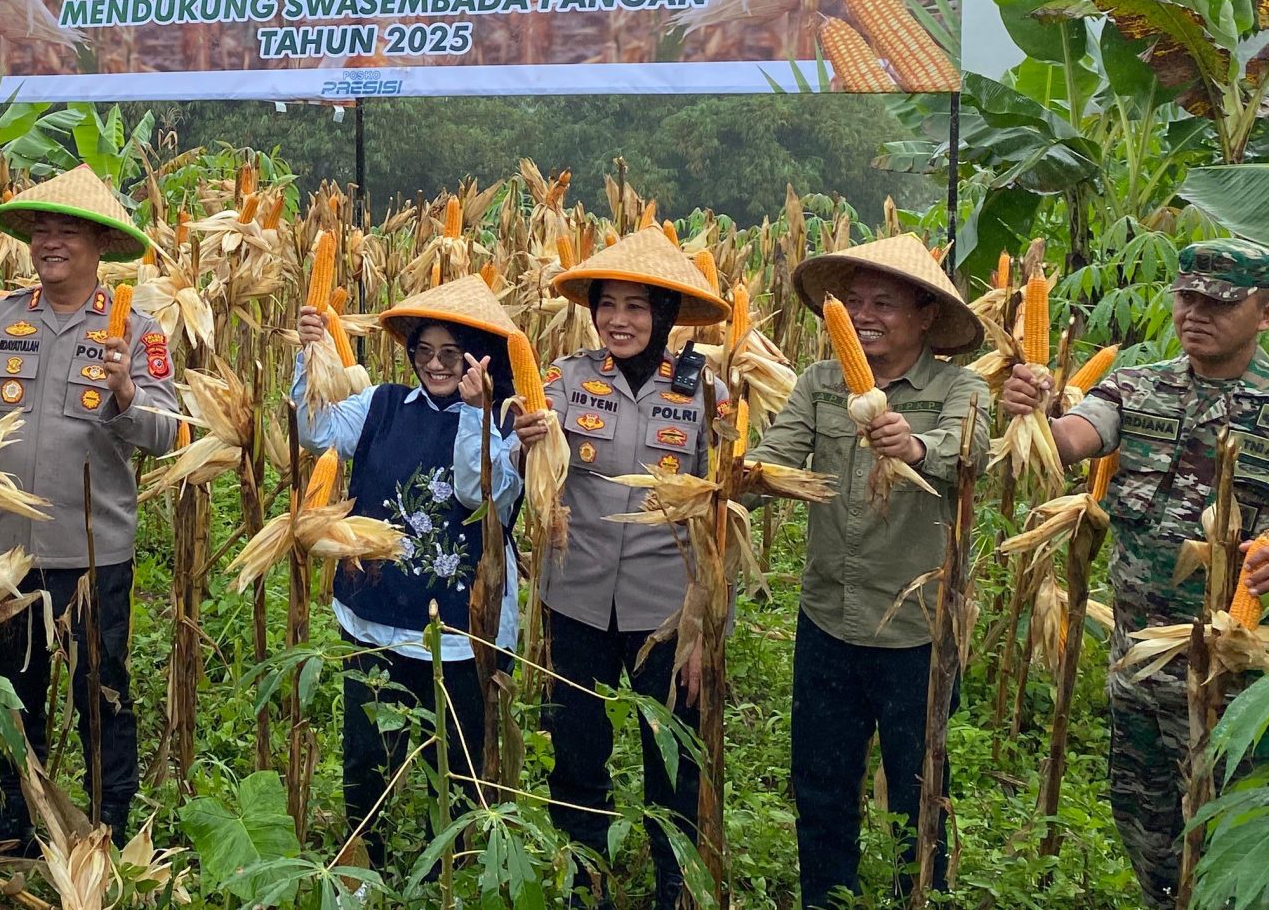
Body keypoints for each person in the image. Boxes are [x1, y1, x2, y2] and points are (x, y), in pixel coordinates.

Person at [999, 238, 1269, 908]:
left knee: (1236, 843)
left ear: (1266, 314)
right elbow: (1073, 439)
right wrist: (1034, 408)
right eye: (1187, 298)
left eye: (1220, 303)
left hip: (1239, 682)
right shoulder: (1137, 388)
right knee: (1145, 830)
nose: (1196, 313)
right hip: (1141, 668)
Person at [463, 230, 727, 908]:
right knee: (578, 748)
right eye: (608, 305)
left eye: (637, 307)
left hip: (666, 608)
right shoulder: (560, 379)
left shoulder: (706, 396)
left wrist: (699, 626)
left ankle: (675, 881)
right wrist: (517, 446)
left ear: (664, 315)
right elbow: (521, 476)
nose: (619, 320)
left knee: (670, 754)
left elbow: (718, 517)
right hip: (574, 598)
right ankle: (585, 877)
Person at [0, 165, 180, 847]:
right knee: (12, 693)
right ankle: (16, 817)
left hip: (95, 551)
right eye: (41, 230)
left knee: (101, 693)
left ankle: (108, 821)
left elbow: (166, 430)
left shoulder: (139, 330)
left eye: (67, 231)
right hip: (8, 554)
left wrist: (126, 390)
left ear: (99, 245)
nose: (51, 242)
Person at [747, 233, 988, 909]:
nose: (863, 315)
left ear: (925, 316)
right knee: (821, 783)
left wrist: (915, 445)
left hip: (917, 631)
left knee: (921, 791)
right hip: (827, 616)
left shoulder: (958, 387)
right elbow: (777, 458)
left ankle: (920, 897)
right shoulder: (821, 383)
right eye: (853, 302)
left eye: (883, 301)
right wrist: (724, 480)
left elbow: (973, 455)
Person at [297, 272, 522, 870]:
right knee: (368, 753)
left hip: (458, 631)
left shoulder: (509, 426)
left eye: (451, 354)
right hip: (376, 615)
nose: (436, 365)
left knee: (456, 764)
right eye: (424, 352)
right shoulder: (382, 404)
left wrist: (477, 413)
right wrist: (312, 353)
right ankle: (367, 864)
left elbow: (479, 494)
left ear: (482, 359)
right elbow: (314, 430)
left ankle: (446, 870)